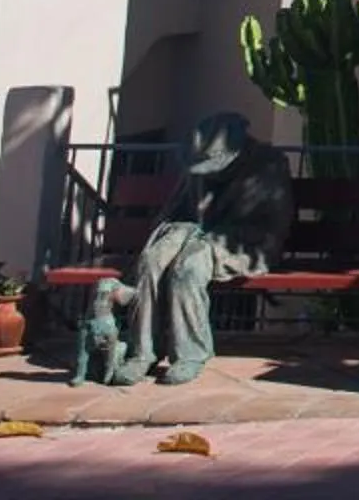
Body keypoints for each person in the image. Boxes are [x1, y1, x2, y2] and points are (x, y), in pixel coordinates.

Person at [109, 112, 294, 387]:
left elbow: (269, 226)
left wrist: (205, 240)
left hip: (243, 242)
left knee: (189, 267)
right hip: (193, 230)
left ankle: (190, 353)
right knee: (152, 260)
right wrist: (178, 233)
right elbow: (179, 209)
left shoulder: (268, 165)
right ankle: (143, 351)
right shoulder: (199, 166)